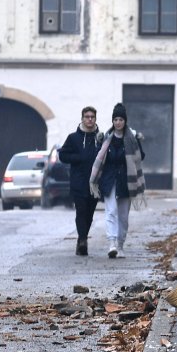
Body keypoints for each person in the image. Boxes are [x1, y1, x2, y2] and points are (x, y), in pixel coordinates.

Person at [89, 103, 145, 259]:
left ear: (125, 121)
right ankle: (112, 243)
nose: (118, 122)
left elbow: (141, 156)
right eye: (115, 119)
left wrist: (137, 143)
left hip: (127, 180)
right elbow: (98, 156)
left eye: (121, 119)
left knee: (123, 216)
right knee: (111, 211)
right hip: (109, 180)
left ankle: (121, 244)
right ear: (112, 121)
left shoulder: (131, 138)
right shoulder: (106, 138)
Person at [58, 106, 102, 255]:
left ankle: (82, 238)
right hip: (78, 182)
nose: (89, 119)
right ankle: (82, 240)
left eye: (92, 117)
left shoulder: (100, 138)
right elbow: (63, 156)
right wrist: (77, 158)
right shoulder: (73, 138)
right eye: (87, 117)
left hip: (95, 184)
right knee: (81, 211)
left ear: (95, 119)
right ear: (82, 119)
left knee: (89, 213)